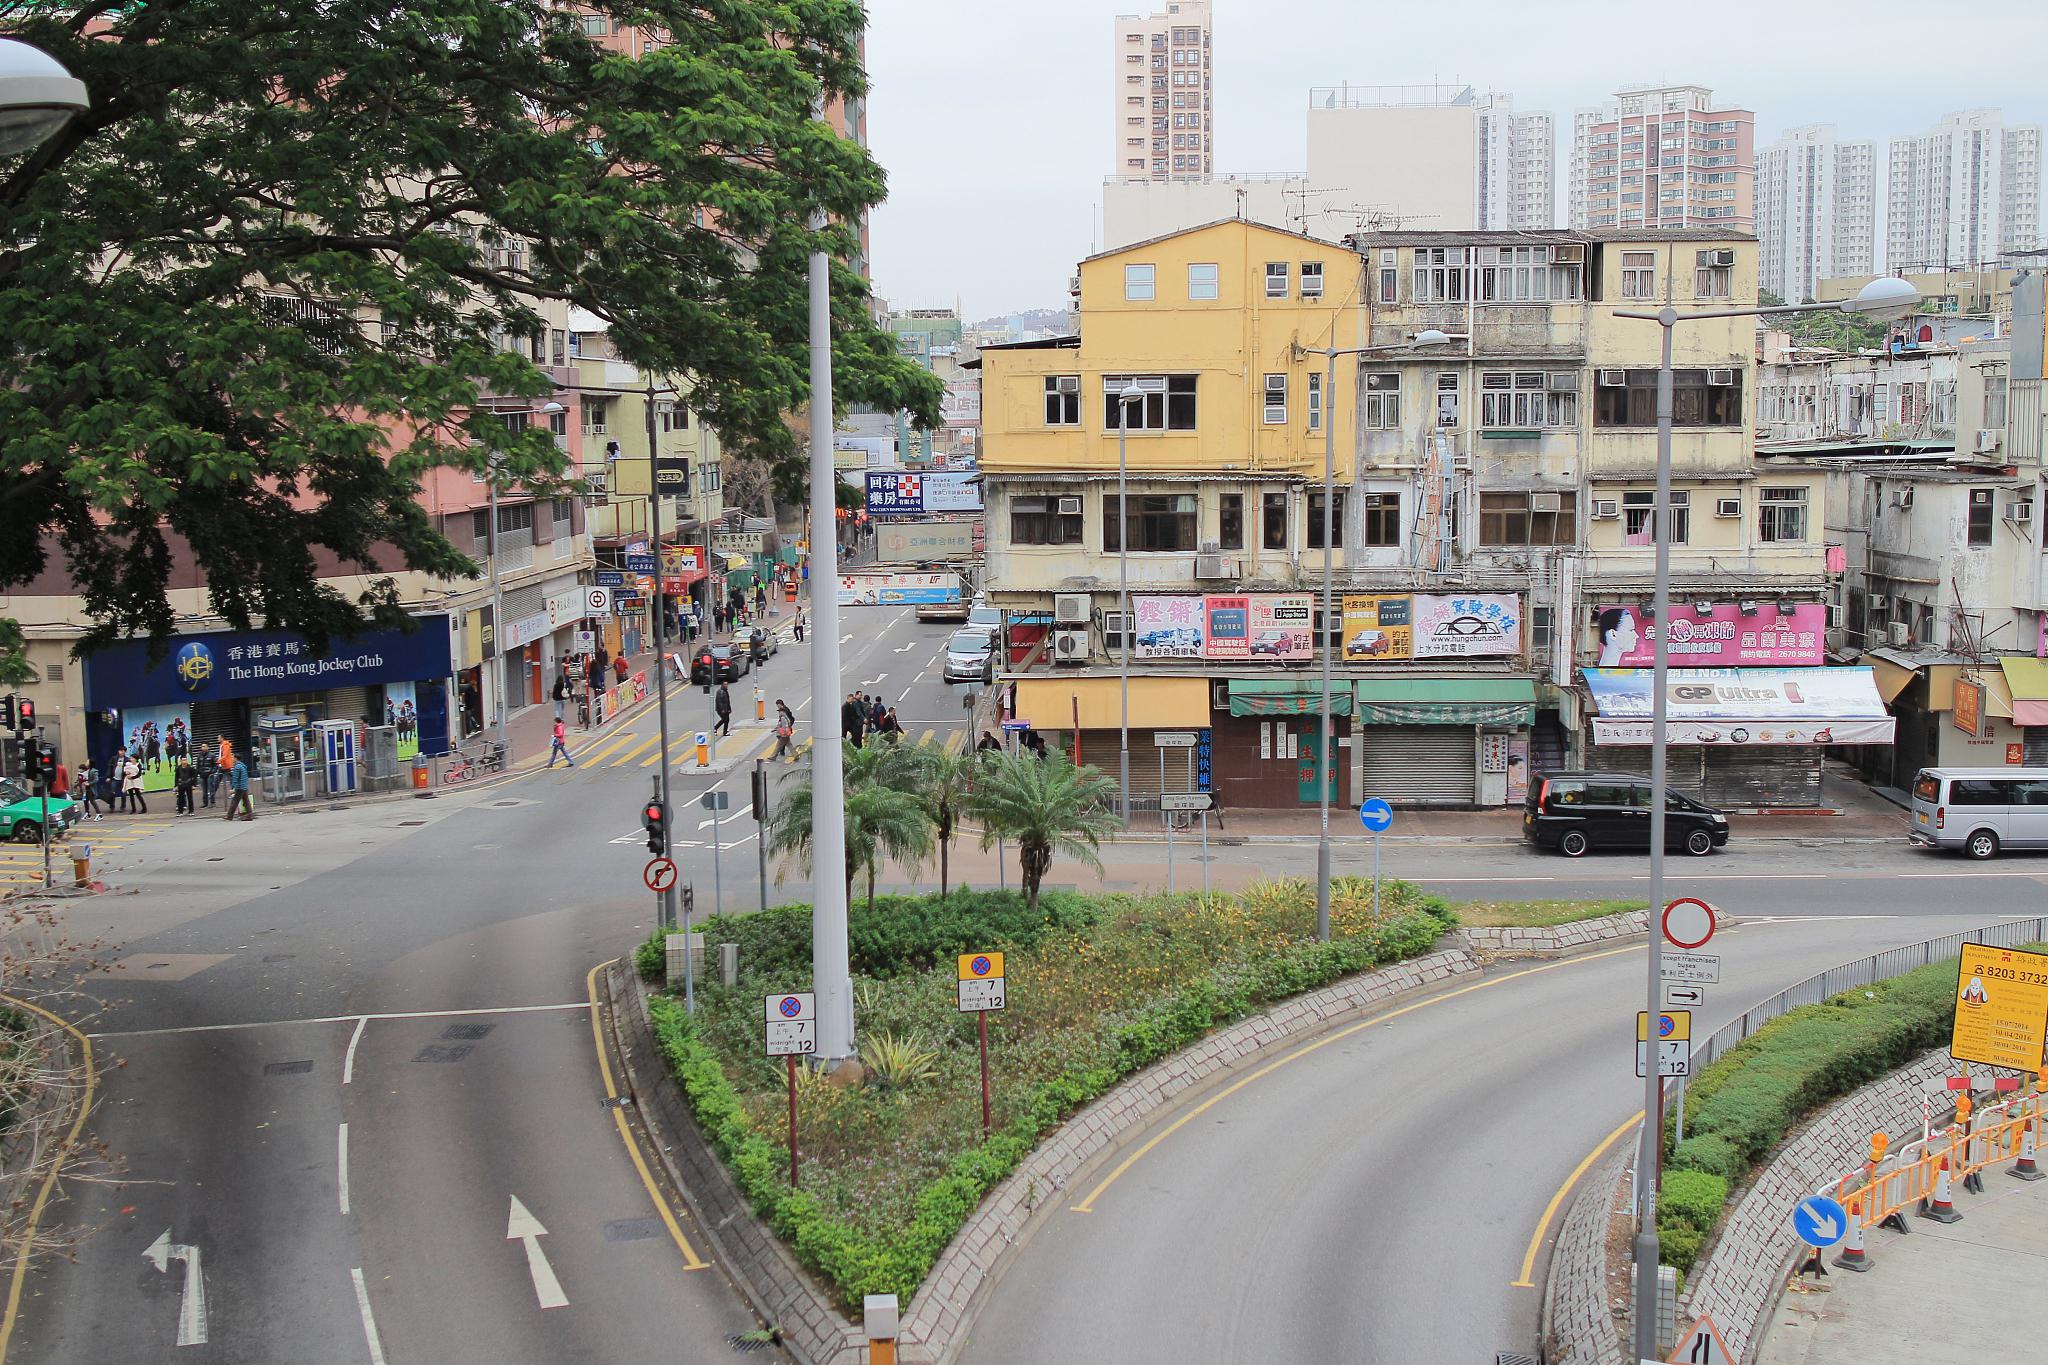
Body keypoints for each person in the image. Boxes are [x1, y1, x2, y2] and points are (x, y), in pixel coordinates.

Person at [222, 755, 253, 820]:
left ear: (236, 758)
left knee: (235, 801)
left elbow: (235, 778)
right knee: (246, 801)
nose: (232, 759)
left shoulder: (237, 767)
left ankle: (229, 816)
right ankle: (249, 815)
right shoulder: (243, 766)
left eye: (233, 758)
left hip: (240, 787)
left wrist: (233, 788)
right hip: (244, 786)